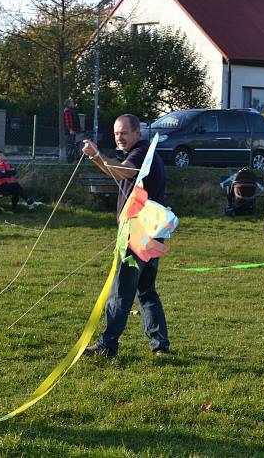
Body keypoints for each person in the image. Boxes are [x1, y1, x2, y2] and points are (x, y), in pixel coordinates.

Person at [81, 114, 170, 357]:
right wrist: (97, 159)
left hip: (139, 233)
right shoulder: (144, 152)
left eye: (124, 133)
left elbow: (123, 171)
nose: (119, 138)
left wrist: (96, 155)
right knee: (145, 289)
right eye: (116, 133)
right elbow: (116, 172)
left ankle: (107, 345)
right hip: (151, 232)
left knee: (121, 289)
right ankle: (159, 345)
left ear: (137, 133)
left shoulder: (141, 153)